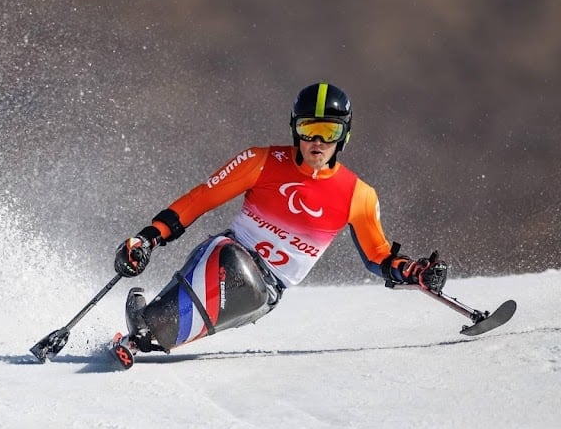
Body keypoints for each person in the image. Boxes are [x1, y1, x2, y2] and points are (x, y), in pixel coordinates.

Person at [113, 82, 448, 356]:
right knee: (227, 256)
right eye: (309, 128)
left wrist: (412, 271)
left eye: (329, 131)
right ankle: (149, 326)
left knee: (242, 281)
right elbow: (201, 199)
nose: (317, 142)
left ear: (344, 135)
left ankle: (150, 326)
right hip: (227, 254)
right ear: (294, 129)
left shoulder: (358, 194)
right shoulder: (261, 161)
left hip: (264, 292)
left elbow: (378, 255)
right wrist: (149, 238)